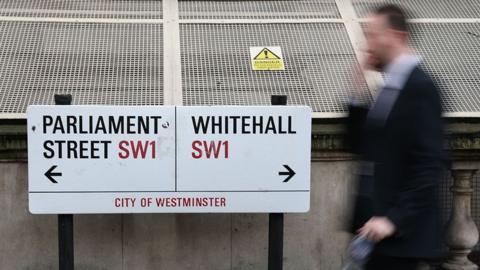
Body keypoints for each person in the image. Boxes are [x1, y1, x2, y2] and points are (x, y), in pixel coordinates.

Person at [346, 4, 444, 270]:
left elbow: (430, 165)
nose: (368, 44)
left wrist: (393, 220)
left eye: (373, 35)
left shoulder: (420, 87)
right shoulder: (390, 86)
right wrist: (356, 90)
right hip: (374, 231)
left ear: (396, 36)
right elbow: (359, 145)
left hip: (400, 237)